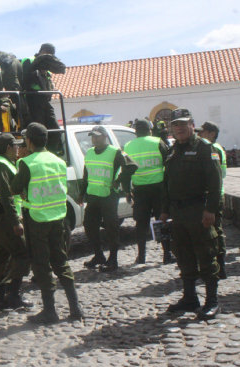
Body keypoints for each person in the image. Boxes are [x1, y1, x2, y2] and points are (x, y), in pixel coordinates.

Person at [11, 123, 83, 323]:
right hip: (58, 218)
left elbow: (15, 188)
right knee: (61, 261)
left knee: (41, 264)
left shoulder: (27, 163)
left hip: (37, 219)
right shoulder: (58, 161)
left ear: (30, 141)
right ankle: (75, 307)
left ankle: (50, 311)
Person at [161, 108, 222, 320]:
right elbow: (168, 182)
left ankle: (212, 301)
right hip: (178, 212)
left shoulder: (205, 149)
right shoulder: (173, 150)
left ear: (192, 126)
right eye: (175, 125)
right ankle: (190, 298)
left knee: (206, 254)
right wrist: (164, 210)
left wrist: (210, 210)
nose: (179, 128)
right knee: (183, 255)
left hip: (199, 210)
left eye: (183, 124)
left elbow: (215, 183)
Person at [79, 125, 137, 272]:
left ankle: (113, 259)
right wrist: (81, 193)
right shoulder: (90, 152)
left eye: (97, 136)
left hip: (108, 196)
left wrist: (118, 181)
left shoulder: (115, 152)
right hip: (93, 195)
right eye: (92, 136)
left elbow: (132, 166)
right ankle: (99, 255)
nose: (94, 139)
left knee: (111, 228)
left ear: (105, 137)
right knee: (89, 225)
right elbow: (86, 175)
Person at [0, 133, 31, 311]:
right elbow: (6, 195)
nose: (19, 149)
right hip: (3, 217)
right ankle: (14, 295)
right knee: (22, 254)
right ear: (7, 148)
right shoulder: (0, 165)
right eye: (16, 146)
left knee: (2, 257)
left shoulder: (1, 163)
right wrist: (15, 221)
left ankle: (1, 299)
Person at [124, 119, 174, 264]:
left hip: (139, 189)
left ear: (135, 131)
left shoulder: (128, 146)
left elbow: (126, 170)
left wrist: (127, 191)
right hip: (159, 188)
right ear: (150, 130)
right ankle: (167, 254)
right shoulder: (157, 142)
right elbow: (169, 163)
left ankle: (141, 256)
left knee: (141, 223)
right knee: (162, 220)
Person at [196, 121, 227, 279]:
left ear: (212, 133)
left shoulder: (214, 149)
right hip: (210, 195)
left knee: (216, 232)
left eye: (203, 132)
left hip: (215, 196)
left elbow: (216, 175)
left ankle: (220, 266)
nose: (200, 134)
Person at [21, 43, 65, 153]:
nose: (48, 56)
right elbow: (24, 79)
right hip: (32, 99)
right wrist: (37, 68)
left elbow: (48, 82)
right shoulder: (28, 60)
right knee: (39, 130)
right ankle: (37, 152)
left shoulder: (48, 68)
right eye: (47, 53)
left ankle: (51, 152)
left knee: (55, 129)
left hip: (45, 100)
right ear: (41, 51)